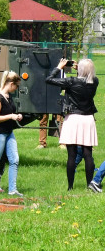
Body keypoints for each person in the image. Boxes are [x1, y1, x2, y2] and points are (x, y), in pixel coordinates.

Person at [46, 58, 98, 191]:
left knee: (72, 155)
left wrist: (59, 66)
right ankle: (89, 184)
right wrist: (80, 71)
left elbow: (49, 79)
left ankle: (70, 187)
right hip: (88, 119)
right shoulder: (94, 82)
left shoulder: (71, 81)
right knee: (88, 154)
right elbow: (86, 79)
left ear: (79, 70)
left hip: (73, 118)